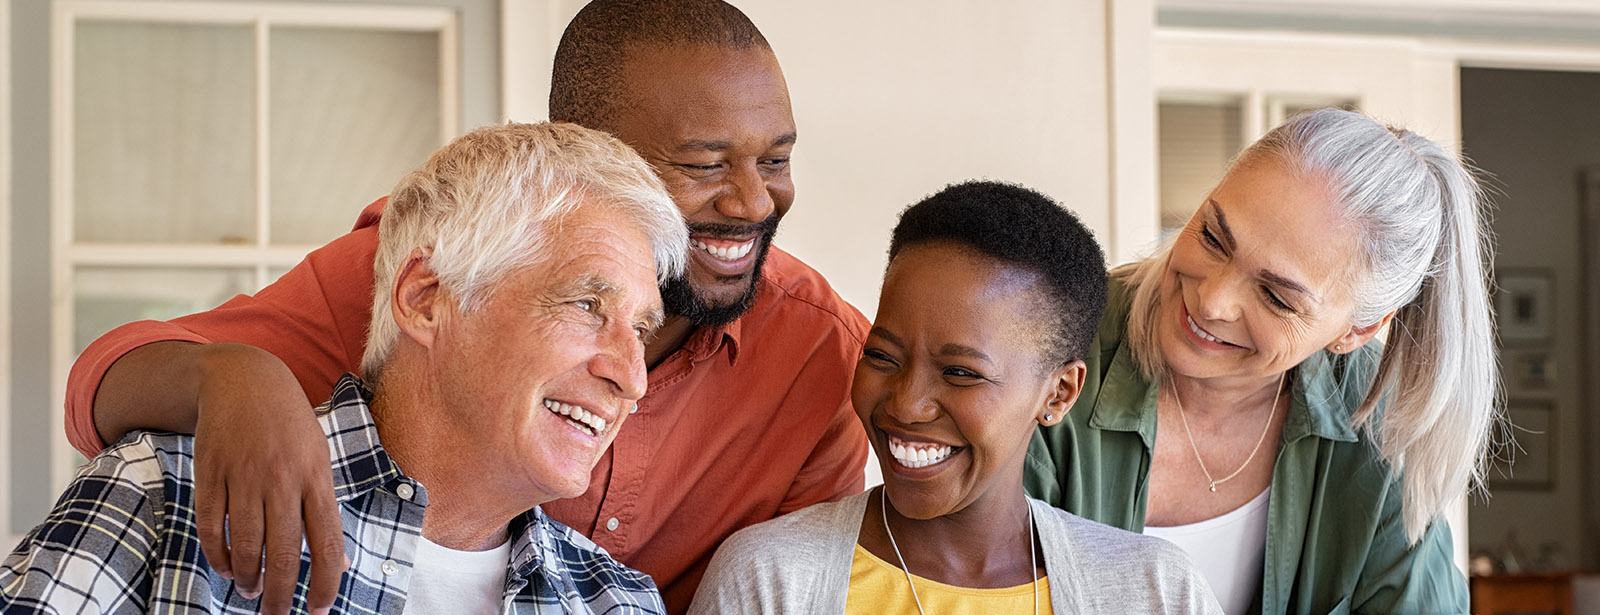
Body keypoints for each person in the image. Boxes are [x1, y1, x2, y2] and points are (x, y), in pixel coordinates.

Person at [62, 2, 868, 613]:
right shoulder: (430, 267)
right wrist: (226, 374)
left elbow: (791, 580)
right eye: (704, 163)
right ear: (586, 152)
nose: (755, 200)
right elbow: (98, 385)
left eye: (777, 158)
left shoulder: (823, 355)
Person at [3, 122, 685, 614]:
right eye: (586, 303)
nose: (632, 374)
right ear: (427, 300)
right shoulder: (166, 491)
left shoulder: (615, 600)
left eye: (641, 329)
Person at [1024, 108, 1494, 614]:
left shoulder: (1381, 425)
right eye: (1211, 236)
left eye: (1276, 297)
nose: (1212, 301)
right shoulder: (1049, 342)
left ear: (1357, 330)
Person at [690, 181, 1223, 614]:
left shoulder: (1153, 592)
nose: (906, 404)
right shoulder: (772, 580)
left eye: (961, 373)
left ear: (1059, 393)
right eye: (883, 357)